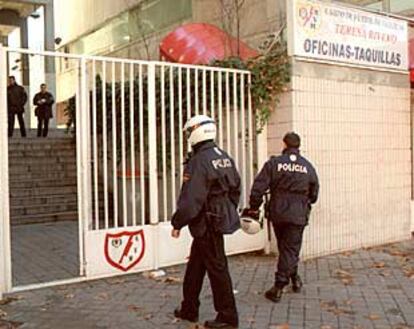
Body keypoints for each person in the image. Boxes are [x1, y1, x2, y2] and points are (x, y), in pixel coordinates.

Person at [171, 115, 240, 329]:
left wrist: (177, 223)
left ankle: (228, 317)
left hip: (205, 222)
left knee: (218, 269)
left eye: (188, 132)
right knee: (195, 267)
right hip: (215, 218)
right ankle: (189, 308)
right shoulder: (223, 156)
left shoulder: (199, 161)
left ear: (196, 132)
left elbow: (192, 199)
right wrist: (225, 209)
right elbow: (235, 187)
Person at [243, 132, 319, 303]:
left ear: (284, 145)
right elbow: (314, 193)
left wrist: (254, 207)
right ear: (298, 146)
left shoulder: (274, 163)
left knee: (286, 248)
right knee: (290, 249)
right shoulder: (307, 166)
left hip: (278, 213)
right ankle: (284, 283)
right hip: (298, 214)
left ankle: (287, 282)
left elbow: (258, 187)